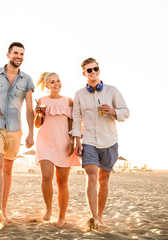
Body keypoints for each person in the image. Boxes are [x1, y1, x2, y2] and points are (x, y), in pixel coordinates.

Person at [72, 58, 129, 230]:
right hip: (89, 141)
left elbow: (126, 112)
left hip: (109, 141)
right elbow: (76, 118)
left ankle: (100, 215)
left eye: (95, 69)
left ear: (99, 70)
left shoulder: (112, 91)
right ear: (84, 73)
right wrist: (77, 140)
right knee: (92, 177)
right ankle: (94, 217)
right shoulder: (79, 94)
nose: (93, 72)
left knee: (103, 181)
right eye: (89, 70)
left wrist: (113, 111)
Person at [0, 42, 35, 223]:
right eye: (15, 53)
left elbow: (30, 109)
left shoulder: (27, 80)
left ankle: (3, 211)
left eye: (21, 54)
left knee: (8, 170)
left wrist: (30, 133)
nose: (18, 56)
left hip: (15, 128)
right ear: (8, 54)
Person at [35, 72, 80, 226]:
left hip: (63, 143)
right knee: (46, 177)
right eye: (52, 82)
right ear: (47, 85)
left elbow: (73, 124)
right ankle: (48, 209)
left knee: (62, 182)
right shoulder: (41, 100)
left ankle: (61, 217)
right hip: (45, 142)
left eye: (58, 81)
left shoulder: (69, 101)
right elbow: (37, 124)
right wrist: (39, 114)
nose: (56, 84)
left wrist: (73, 141)